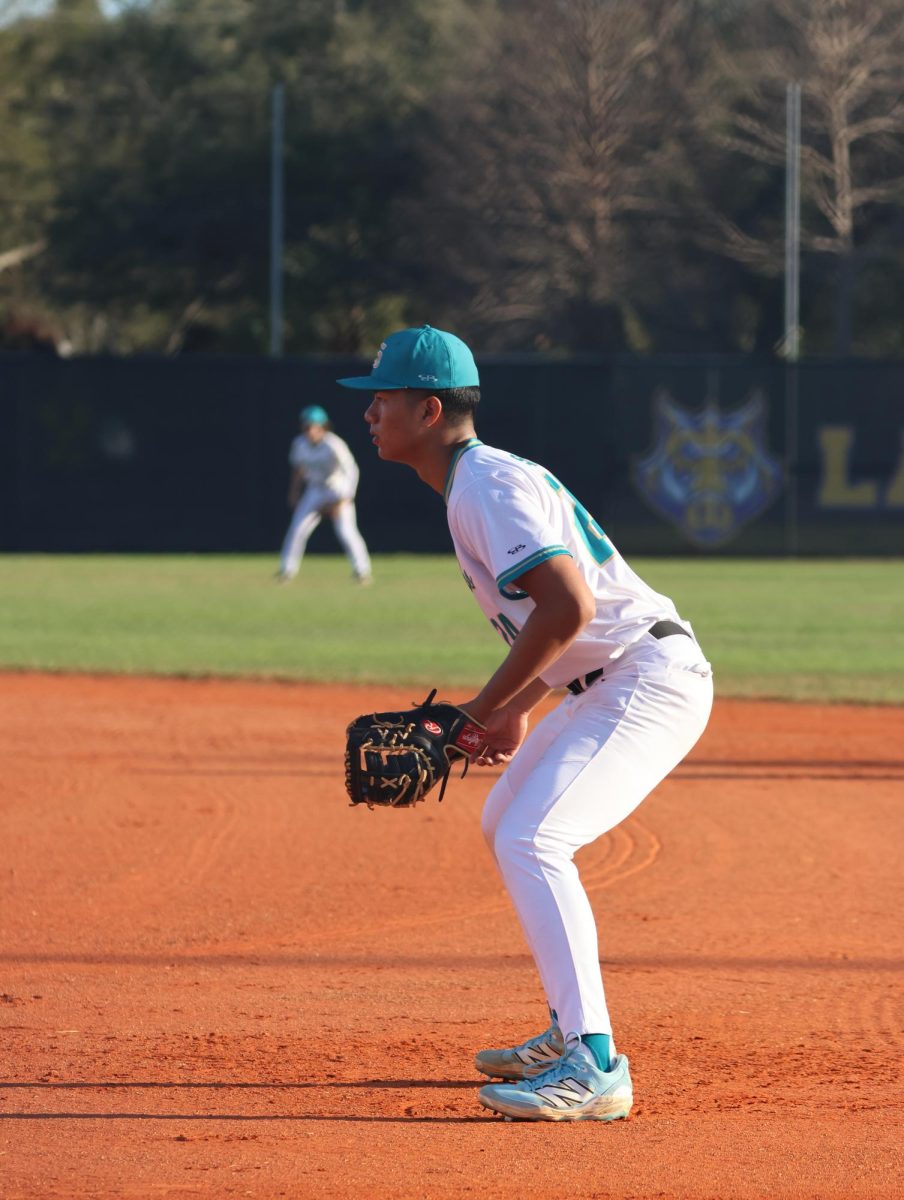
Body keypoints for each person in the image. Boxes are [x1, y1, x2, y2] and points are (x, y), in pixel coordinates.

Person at [338, 325, 713, 1123]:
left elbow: (571, 604)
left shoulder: (484, 488)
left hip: (646, 680)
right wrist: (516, 707)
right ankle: (565, 1029)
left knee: (535, 838)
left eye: (382, 399)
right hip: (608, 677)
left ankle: (596, 1063)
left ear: (428, 408)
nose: (369, 413)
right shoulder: (476, 482)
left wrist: (478, 712)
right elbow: (565, 619)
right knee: (504, 816)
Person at [277, 405, 372, 585]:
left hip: (337, 490)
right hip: (315, 490)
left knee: (346, 532)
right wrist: (294, 492)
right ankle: (287, 570)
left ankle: (362, 571)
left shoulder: (333, 444)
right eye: (306, 426)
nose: (310, 430)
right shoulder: (300, 444)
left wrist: (346, 498)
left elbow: (351, 470)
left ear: (323, 426)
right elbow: (298, 469)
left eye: (313, 426)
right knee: (297, 529)